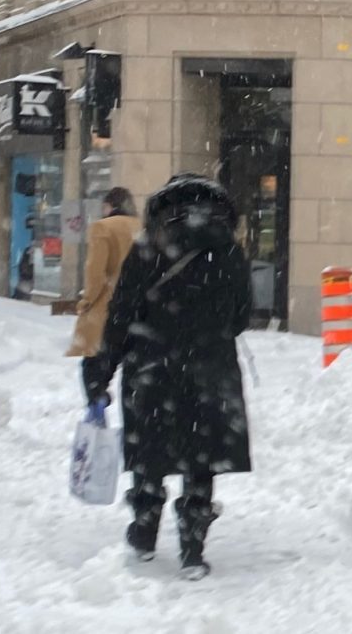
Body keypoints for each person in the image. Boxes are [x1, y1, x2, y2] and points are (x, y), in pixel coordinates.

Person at [82, 176, 253, 580]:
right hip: (210, 372)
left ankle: (144, 530)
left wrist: (100, 371)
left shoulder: (148, 248)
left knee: (150, 452)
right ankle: (192, 547)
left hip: (151, 369)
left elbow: (121, 314)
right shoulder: (229, 250)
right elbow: (243, 315)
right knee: (200, 459)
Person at [66, 189, 142, 380]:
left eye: (105, 206)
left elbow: (95, 273)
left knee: (94, 365)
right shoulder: (144, 228)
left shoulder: (103, 228)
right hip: (139, 309)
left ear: (112, 206)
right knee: (134, 369)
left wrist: (86, 301)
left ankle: (97, 401)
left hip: (107, 306)